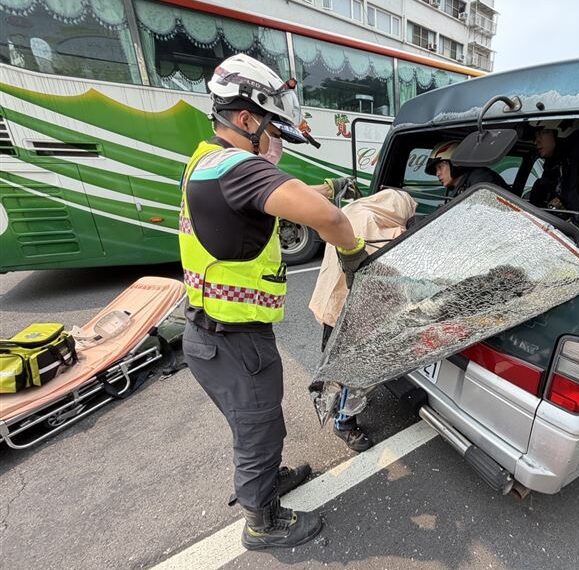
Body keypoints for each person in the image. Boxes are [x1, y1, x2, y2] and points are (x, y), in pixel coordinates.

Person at [179, 54, 367, 551]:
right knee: (258, 428)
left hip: (210, 335)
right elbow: (329, 218)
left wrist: (327, 186)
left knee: (255, 423)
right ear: (246, 119)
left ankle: (266, 481)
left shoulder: (206, 162)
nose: (276, 140)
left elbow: (272, 200)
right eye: (272, 127)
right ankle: (262, 522)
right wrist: (355, 258)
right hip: (232, 340)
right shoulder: (241, 168)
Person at [308, 189, 417, 452]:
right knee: (353, 367)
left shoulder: (355, 209)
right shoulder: (367, 222)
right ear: (397, 207)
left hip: (336, 305)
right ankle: (344, 423)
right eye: (406, 214)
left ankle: (329, 398)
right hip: (350, 310)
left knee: (336, 360)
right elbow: (380, 260)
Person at [528, 125, 579, 213]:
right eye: (536, 135)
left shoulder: (577, 164)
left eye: (542, 133)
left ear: (559, 133)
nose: (536, 141)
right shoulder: (552, 170)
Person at [424, 140, 511, 197]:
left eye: (440, 167)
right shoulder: (458, 187)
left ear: (455, 164)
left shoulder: (481, 180)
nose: (437, 173)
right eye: (436, 170)